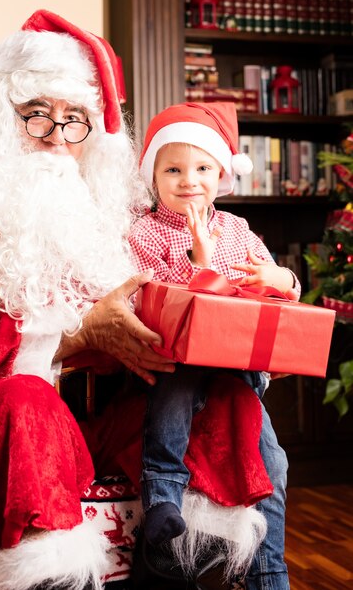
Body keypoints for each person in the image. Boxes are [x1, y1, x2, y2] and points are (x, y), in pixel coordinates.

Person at [0, 12, 269, 590]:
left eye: (76, 121)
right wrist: (76, 333)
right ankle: (50, 575)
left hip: (102, 410)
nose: (55, 136)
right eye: (37, 114)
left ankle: (183, 563)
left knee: (222, 402)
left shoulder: (104, 212)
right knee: (25, 404)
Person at [129, 101, 299, 589]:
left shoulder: (238, 230)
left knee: (274, 461)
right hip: (177, 362)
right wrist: (197, 262)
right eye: (173, 169)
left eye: (203, 168)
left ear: (221, 173)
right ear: (154, 176)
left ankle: (269, 574)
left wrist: (280, 277)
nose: (189, 180)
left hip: (238, 370)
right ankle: (162, 495)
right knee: (177, 395)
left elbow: (280, 295)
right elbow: (157, 302)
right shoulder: (143, 232)